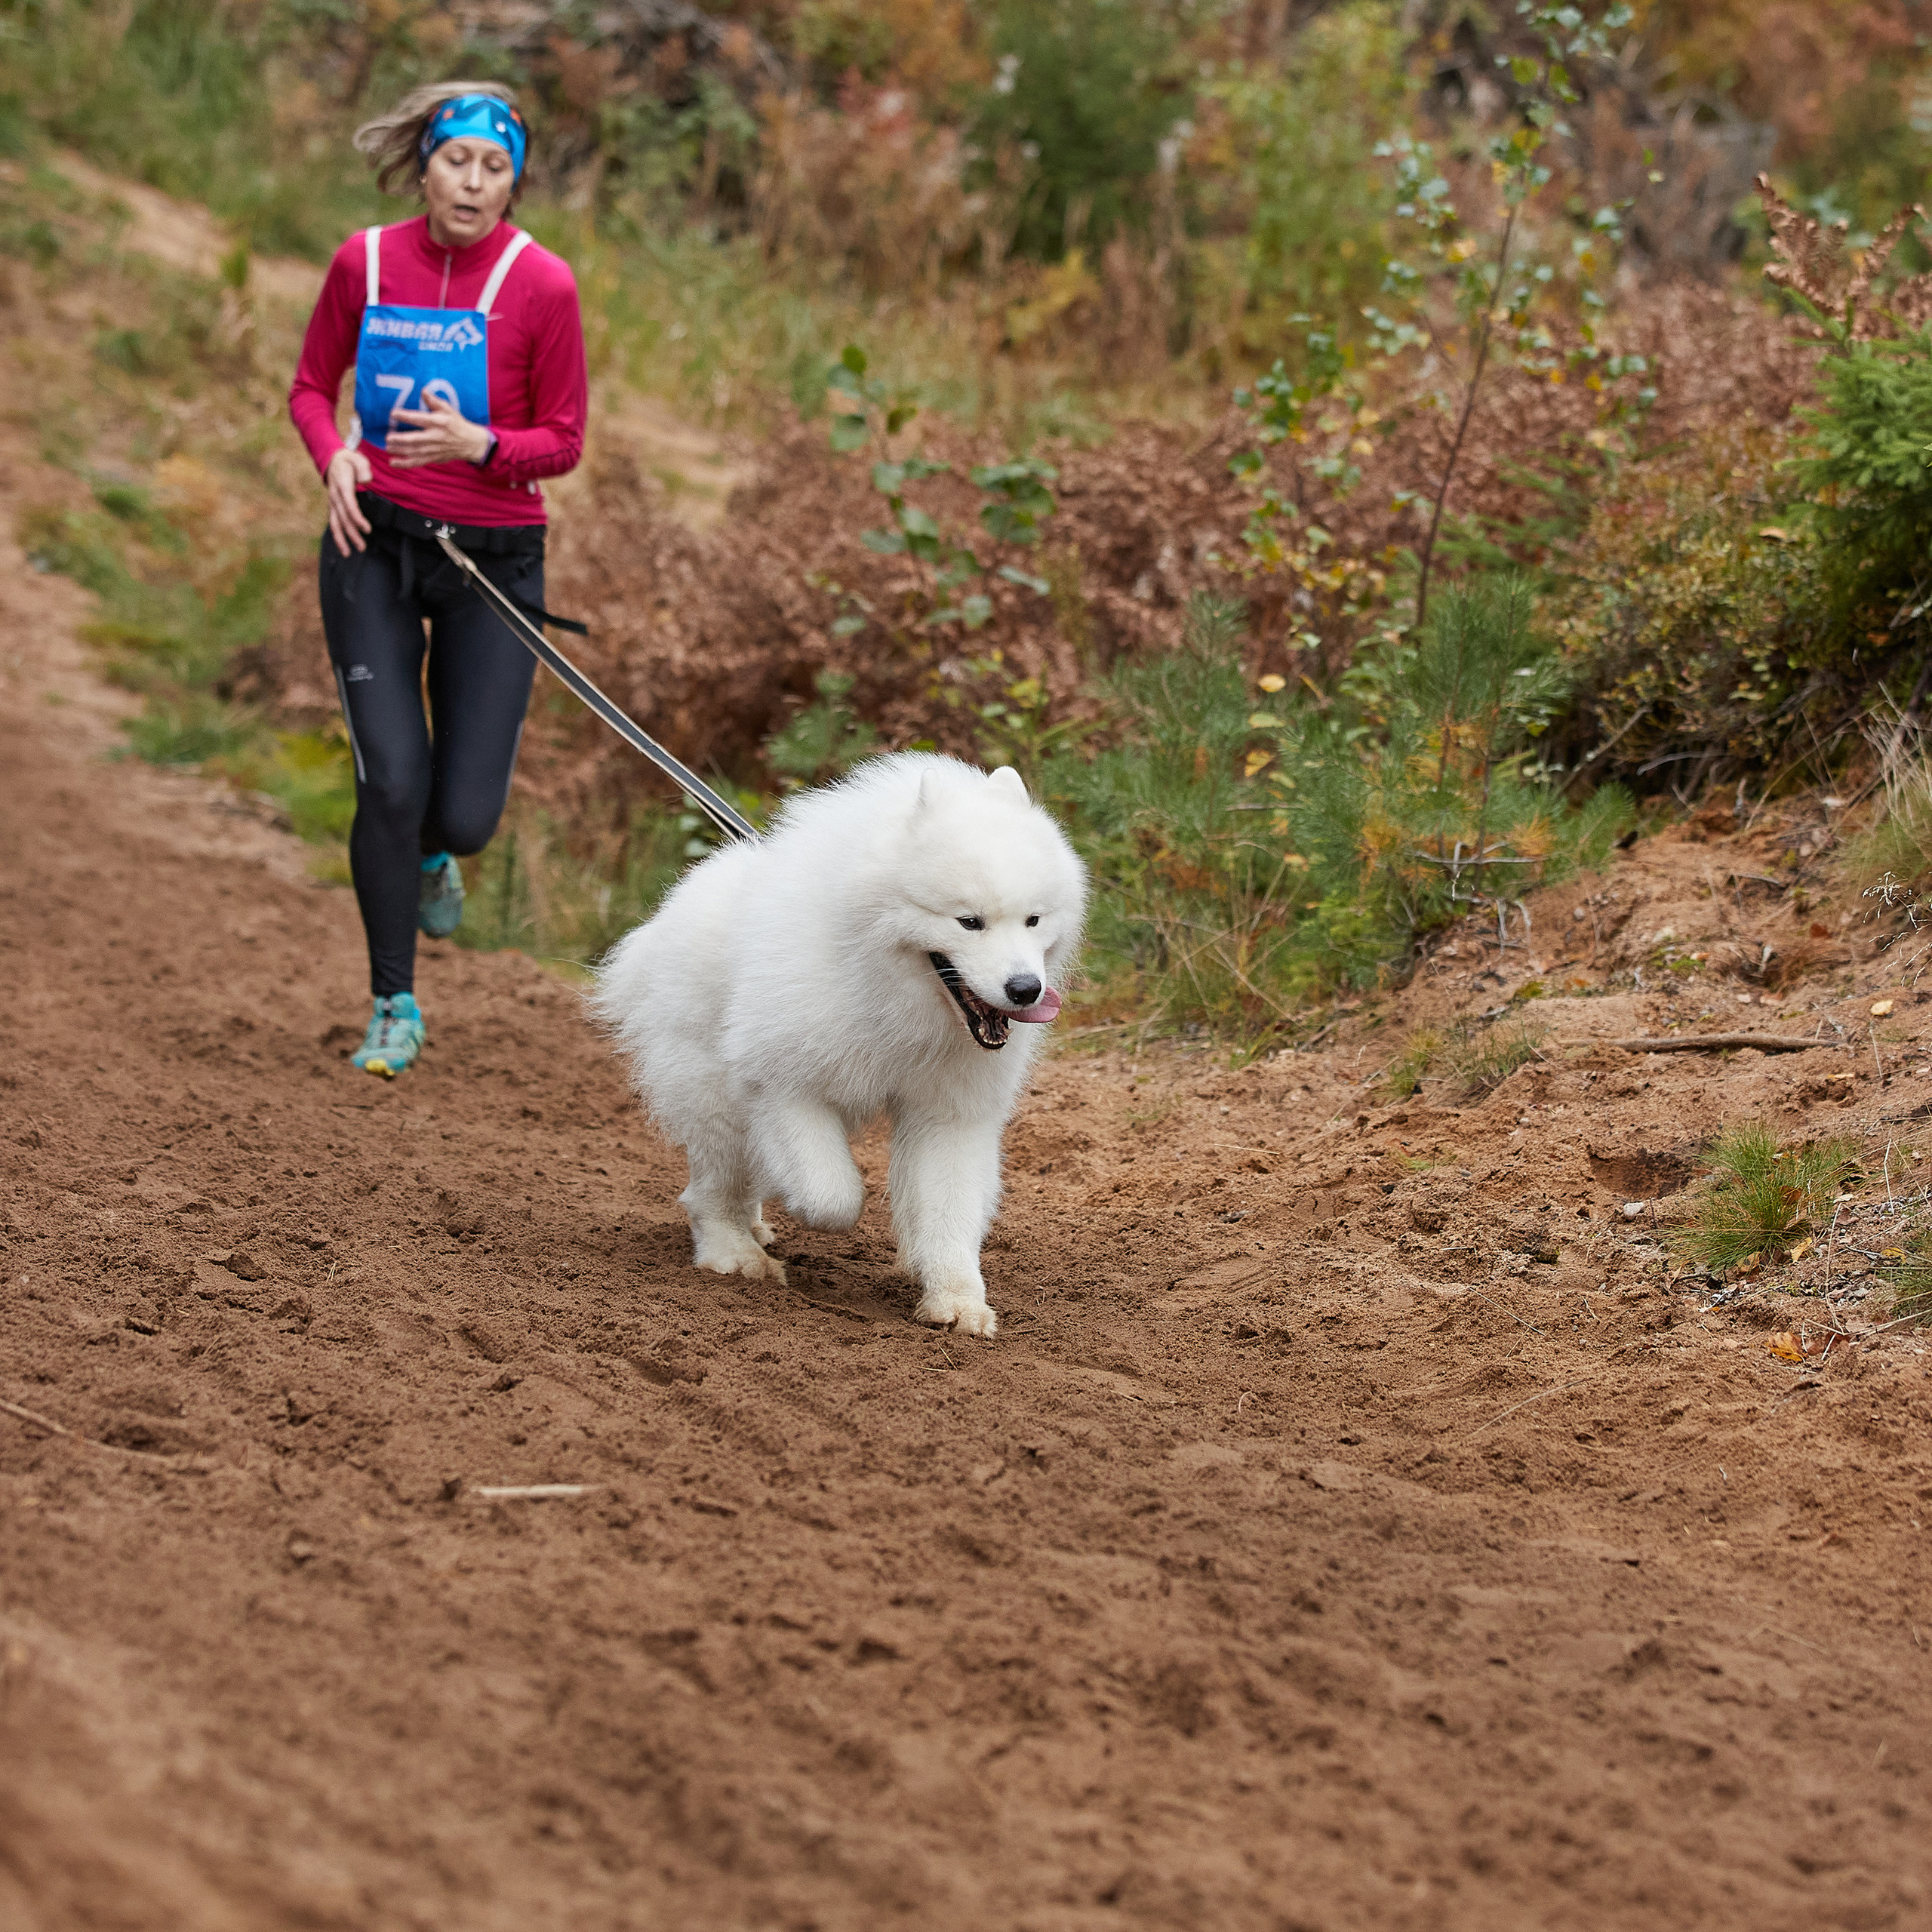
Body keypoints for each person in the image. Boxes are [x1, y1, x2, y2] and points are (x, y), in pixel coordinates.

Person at [288, 82, 587, 1078]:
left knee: (461, 814)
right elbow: (308, 390)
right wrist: (332, 451)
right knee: (390, 781)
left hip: (492, 562)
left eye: (495, 168)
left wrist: (482, 443)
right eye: (457, 159)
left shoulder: (544, 285)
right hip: (371, 540)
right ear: (426, 162)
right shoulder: (364, 261)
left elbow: (566, 441)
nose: (473, 181)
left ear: (514, 184)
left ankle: (432, 857)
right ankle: (393, 1002)